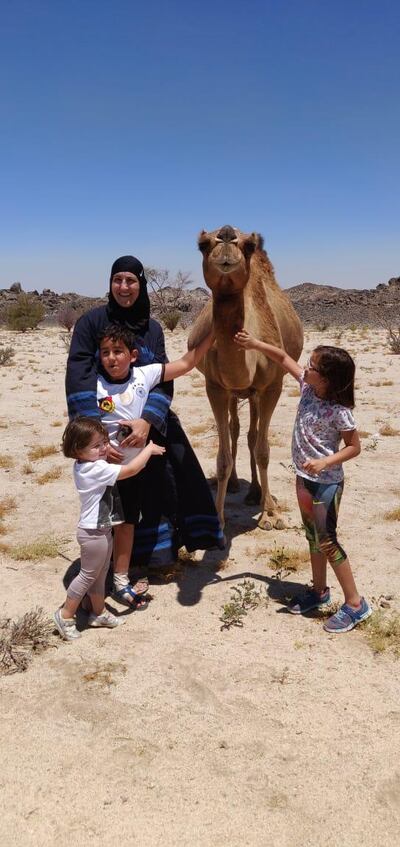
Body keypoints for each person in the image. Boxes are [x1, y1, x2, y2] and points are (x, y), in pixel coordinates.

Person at [65, 255, 224, 585]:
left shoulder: (151, 329)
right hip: (105, 432)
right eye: (118, 280)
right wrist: (98, 439)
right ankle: (113, 565)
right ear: (110, 284)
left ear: (141, 285)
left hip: (148, 426)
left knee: (169, 482)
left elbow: (165, 377)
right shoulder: (90, 323)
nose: (124, 287)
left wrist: (148, 422)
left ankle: (157, 558)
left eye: (131, 281)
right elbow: (78, 377)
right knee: (115, 501)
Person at [234, 329, 372, 634]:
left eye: (311, 367)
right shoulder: (307, 389)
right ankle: (319, 591)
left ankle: (355, 603)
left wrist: (326, 461)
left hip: (326, 484)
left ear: (327, 378)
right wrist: (255, 343)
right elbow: (283, 357)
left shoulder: (340, 412)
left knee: (327, 540)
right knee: (312, 538)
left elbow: (354, 447)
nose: (305, 369)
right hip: (304, 480)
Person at [96, 322, 215, 605]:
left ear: (133, 355)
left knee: (126, 524)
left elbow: (187, 363)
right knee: (100, 526)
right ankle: (96, 576)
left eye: (118, 351)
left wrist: (215, 332)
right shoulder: (94, 384)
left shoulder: (145, 375)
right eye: (105, 352)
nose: (112, 358)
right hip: (102, 470)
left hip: (134, 471)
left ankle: (121, 577)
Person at [54, 417, 165, 641]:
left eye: (105, 442)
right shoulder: (94, 469)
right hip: (92, 533)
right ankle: (65, 615)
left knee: (99, 574)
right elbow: (132, 469)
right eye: (97, 446)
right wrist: (148, 449)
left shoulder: (88, 464)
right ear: (77, 450)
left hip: (101, 529)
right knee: (87, 576)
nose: (104, 448)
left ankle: (99, 613)